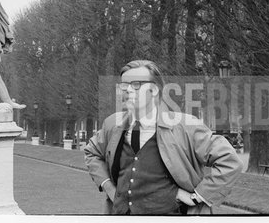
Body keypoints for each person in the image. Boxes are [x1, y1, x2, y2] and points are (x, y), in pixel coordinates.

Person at [84, 60, 243, 215]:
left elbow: (229, 161)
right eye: (124, 85)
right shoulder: (112, 124)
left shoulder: (186, 126)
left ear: (154, 90)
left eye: (136, 85)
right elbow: (92, 153)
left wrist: (198, 196)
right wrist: (108, 187)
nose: (127, 90)